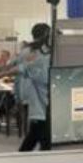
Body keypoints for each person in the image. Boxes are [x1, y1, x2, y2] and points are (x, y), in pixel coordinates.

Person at [6, 23, 52, 152]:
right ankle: (26, 157)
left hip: (29, 96)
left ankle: (26, 156)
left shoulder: (28, 51)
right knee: (39, 133)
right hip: (38, 97)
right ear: (46, 34)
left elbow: (14, 65)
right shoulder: (41, 52)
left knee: (37, 133)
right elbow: (22, 68)